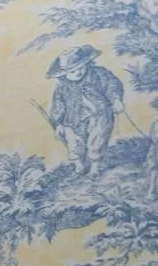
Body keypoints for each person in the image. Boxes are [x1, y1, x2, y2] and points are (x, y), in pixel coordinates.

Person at [46, 44, 123, 175]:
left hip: (99, 114)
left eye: (81, 67)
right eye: (73, 71)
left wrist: (116, 99)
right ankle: (78, 165)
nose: (79, 72)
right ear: (63, 74)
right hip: (72, 120)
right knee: (74, 142)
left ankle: (95, 167)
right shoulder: (62, 87)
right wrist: (58, 123)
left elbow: (112, 84)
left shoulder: (98, 74)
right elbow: (58, 105)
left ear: (88, 63)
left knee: (98, 140)